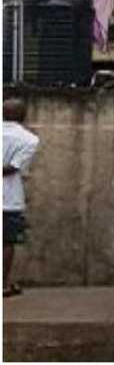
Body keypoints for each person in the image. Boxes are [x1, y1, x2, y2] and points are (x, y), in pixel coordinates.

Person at [3, 98, 39, 298]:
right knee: (7, 242)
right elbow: (13, 168)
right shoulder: (29, 139)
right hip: (9, 198)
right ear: (24, 116)